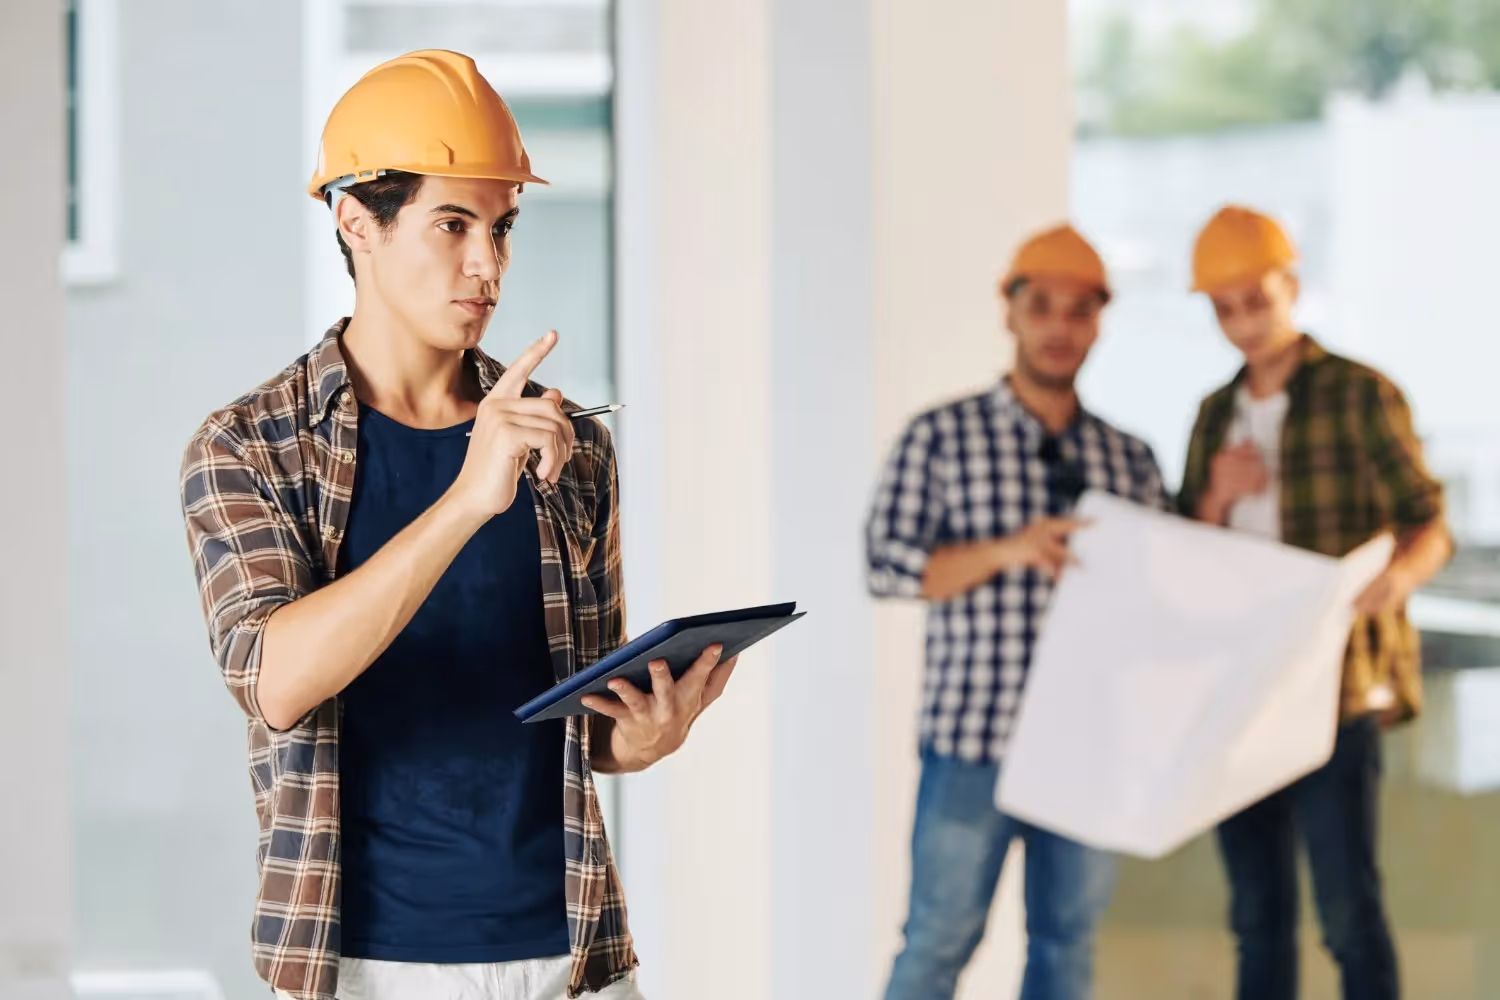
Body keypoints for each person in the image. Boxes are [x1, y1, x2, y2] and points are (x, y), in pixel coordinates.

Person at [179, 50, 735, 1000]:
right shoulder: (251, 447)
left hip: (577, 961)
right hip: (362, 968)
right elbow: (271, 680)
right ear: (357, 222)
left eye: (503, 227)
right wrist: (469, 496)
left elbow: (587, 718)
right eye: (453, 224)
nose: (489, 265)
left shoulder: (571, 448)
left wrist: (642, 739)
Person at [867, 224, 1169, 1000]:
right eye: (1044, 308)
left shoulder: (1129, 459)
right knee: (936, 944)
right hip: (973, 740)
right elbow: (888, 565)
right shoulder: (942, 436)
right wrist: (1010, 550)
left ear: (1098, 322)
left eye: (1079, 311)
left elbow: (1164, 597)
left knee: (1067, 952)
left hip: (1087, 750)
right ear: (1011, 312)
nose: (1060, 329)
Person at [1177, 205, 1452, 1000]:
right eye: (1223, 308)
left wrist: (1396, 582)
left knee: (1347, 913)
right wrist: (1215, 502)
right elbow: (1186, 562)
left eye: (1255, 300)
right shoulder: (1211, 417)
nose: (1242, 323)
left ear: (1290, 285)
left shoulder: (1361, 395)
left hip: (1336, 691)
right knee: (1258, 919)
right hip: (1240, 694)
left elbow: (1428, 520)